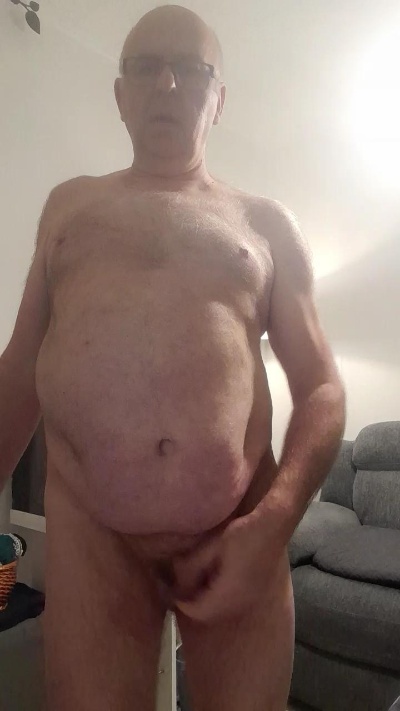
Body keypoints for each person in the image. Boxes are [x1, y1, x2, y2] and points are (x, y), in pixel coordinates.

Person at [0, 5, 345, 710]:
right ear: (120, 95)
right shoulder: (69, 208)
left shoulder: (266, 224)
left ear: (219, 99)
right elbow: (18, 371)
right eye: (145, 67)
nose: (166, 84)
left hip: (239, 531)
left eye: (191, 69)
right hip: (93, 539)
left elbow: (322, 390)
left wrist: (273, 523)